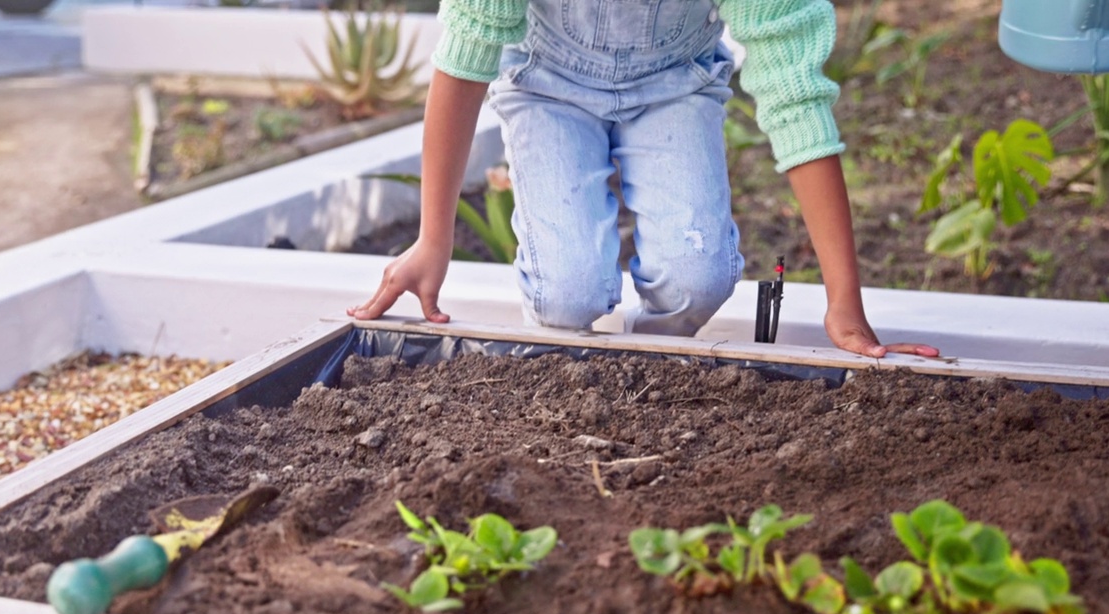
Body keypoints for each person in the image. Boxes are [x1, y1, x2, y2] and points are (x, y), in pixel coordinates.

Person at [347, 0, 939, 359]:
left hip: (674, 83)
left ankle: (652, 361)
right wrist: (434, 238)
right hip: (547, 83)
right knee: (567, 297)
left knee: (698, 280)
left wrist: (845, 302)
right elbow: (465, 58)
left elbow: (796, 99)